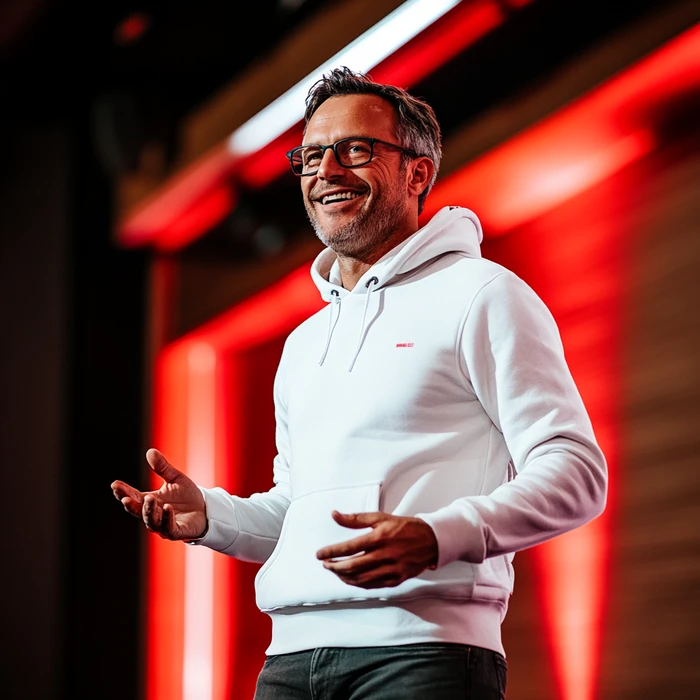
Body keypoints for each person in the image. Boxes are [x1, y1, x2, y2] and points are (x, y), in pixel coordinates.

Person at [112, 67, 607, 699]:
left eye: (356, 150)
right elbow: (298, 511)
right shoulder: (304, 342)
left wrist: (437, 536)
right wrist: (211, 516)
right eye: (312, 155)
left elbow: (577, 473)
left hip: (424, 654)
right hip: (289, 662)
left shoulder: (484, 295)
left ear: (417, 173)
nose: (326, 171)